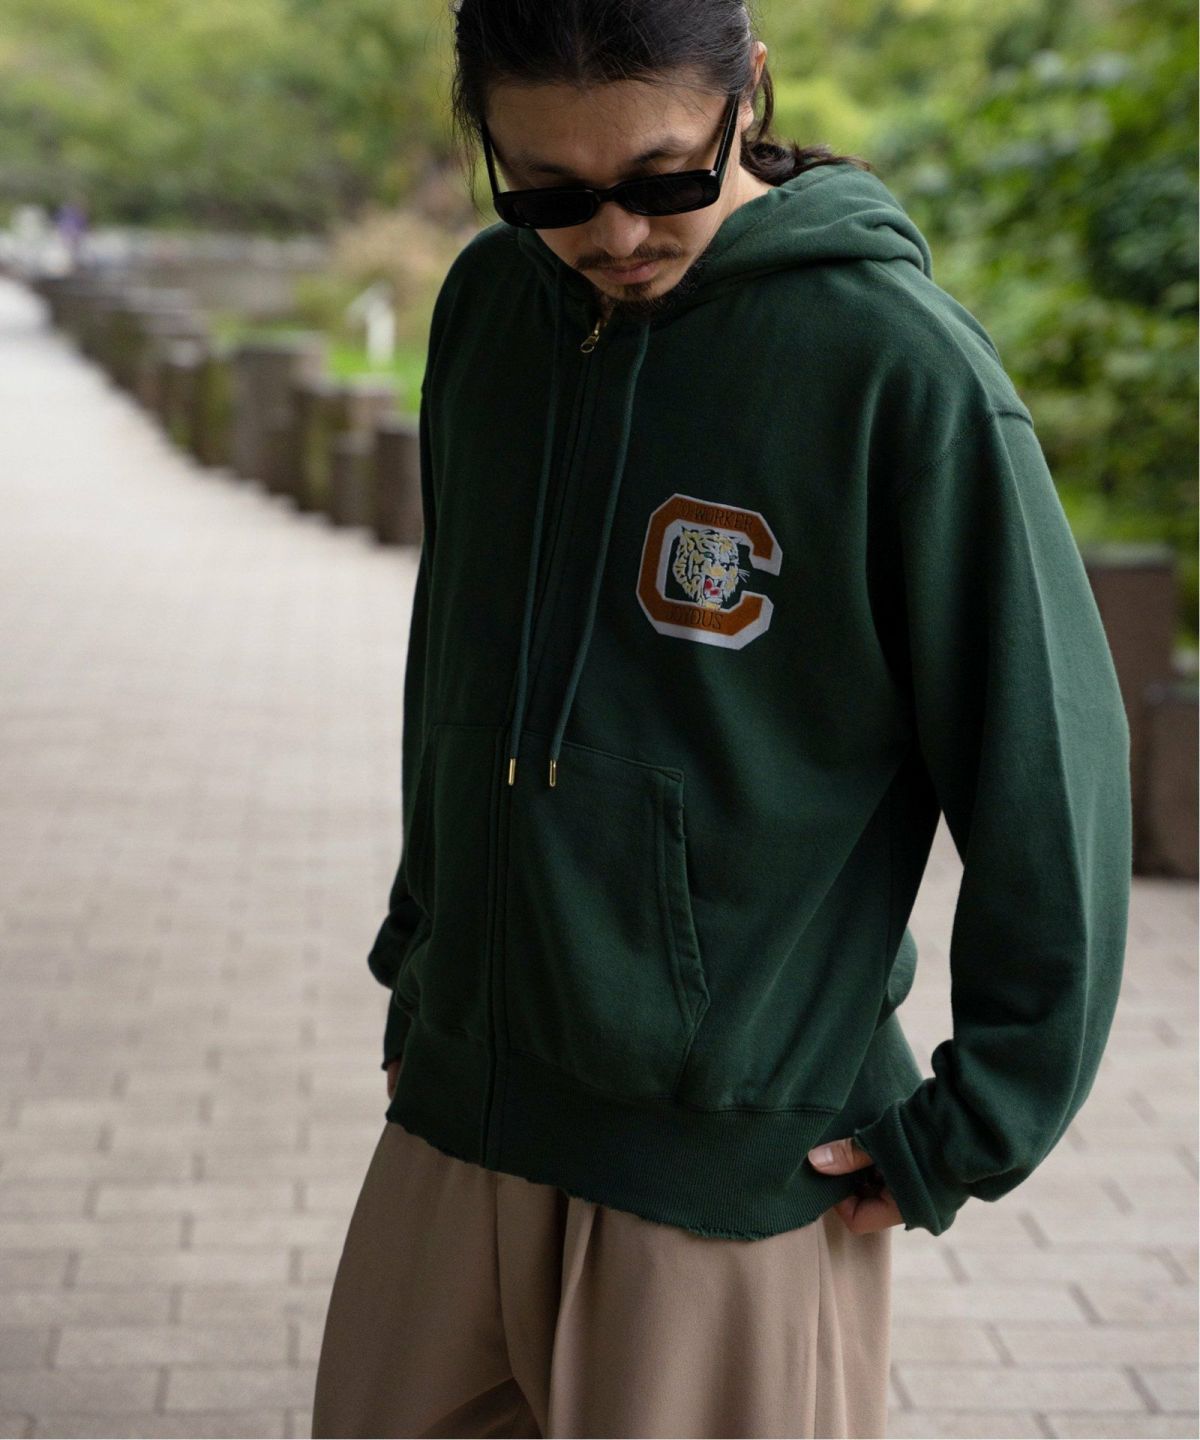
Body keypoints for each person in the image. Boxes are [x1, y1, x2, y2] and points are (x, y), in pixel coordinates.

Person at [312, 2, 1132, 1436]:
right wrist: (421, 953)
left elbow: (1048, 762)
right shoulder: (492, 305)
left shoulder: (895, 370)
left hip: (726, 1178)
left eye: (662, 176)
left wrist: (981, 1118)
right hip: (456, 1115)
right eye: (548, 189)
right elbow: (457, 666)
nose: (614, 233)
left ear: (746, 91)